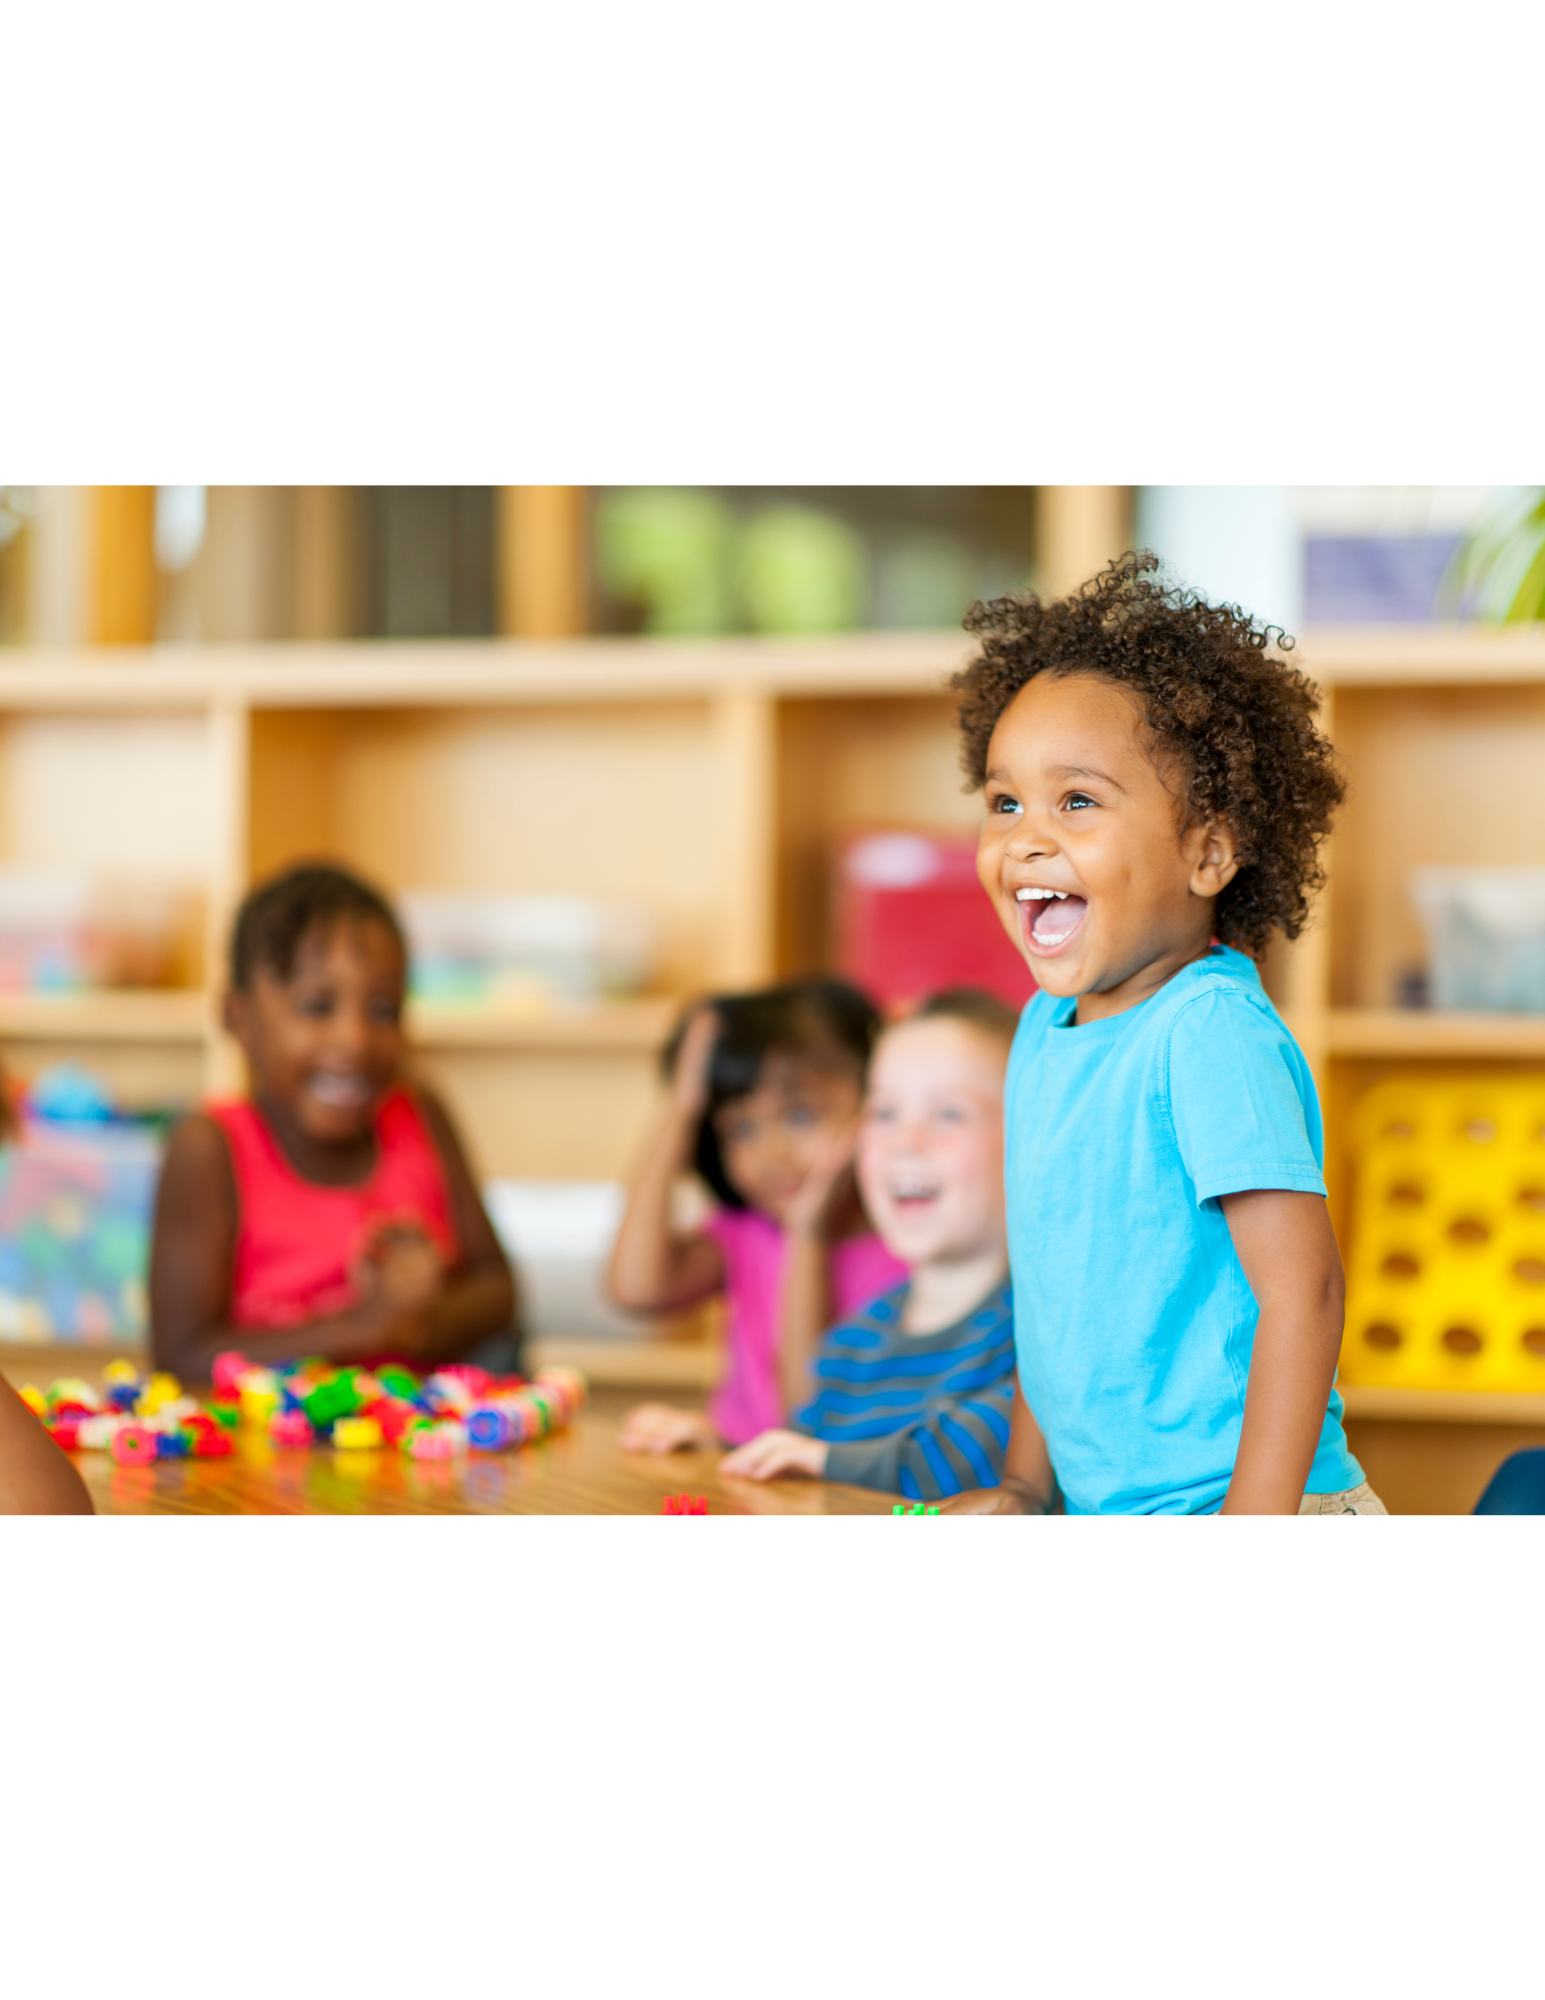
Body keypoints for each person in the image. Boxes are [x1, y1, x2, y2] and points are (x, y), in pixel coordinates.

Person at [944, 553, 1396, 1529]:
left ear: (1208, 851)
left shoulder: (1207, 1032)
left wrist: (1259, 1525)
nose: (1025, 837)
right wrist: (1028, 1485)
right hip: (1123, 1520)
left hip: (1267, 1519)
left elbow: (1304, 1290)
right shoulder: (1042, 1030)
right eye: (1005, 800)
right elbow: (1057, 1301)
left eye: (1077, 800)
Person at [150, 863, 517, 1385]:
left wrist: (421, 1313)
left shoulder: (420, 1116)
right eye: (317, 1006)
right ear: (240, 1021)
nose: (356, 1040)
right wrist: (365, 1326)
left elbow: (499, 1290)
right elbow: (183, 1354)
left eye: (384, 1009)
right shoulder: (208, 1149)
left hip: (420, 1452)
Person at [720, 990, 1017, 1500]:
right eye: (883, 1113)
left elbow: (980, 1452)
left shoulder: (1042, 1329)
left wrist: (823, 1462)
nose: (906, 1139)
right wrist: (715, 1448)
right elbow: (795, 1452)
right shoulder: (852, 1341)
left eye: (948, 1113)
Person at [612, 979, 905, 1452]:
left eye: (801, 1116)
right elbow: (636, 1287)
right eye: (741, 1128)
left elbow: (809, 1420)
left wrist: (809, 1236)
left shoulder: (912, 1250)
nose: (770, 1155)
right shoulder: (745, 1235)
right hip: (753, 1491)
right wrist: (681, 1108)